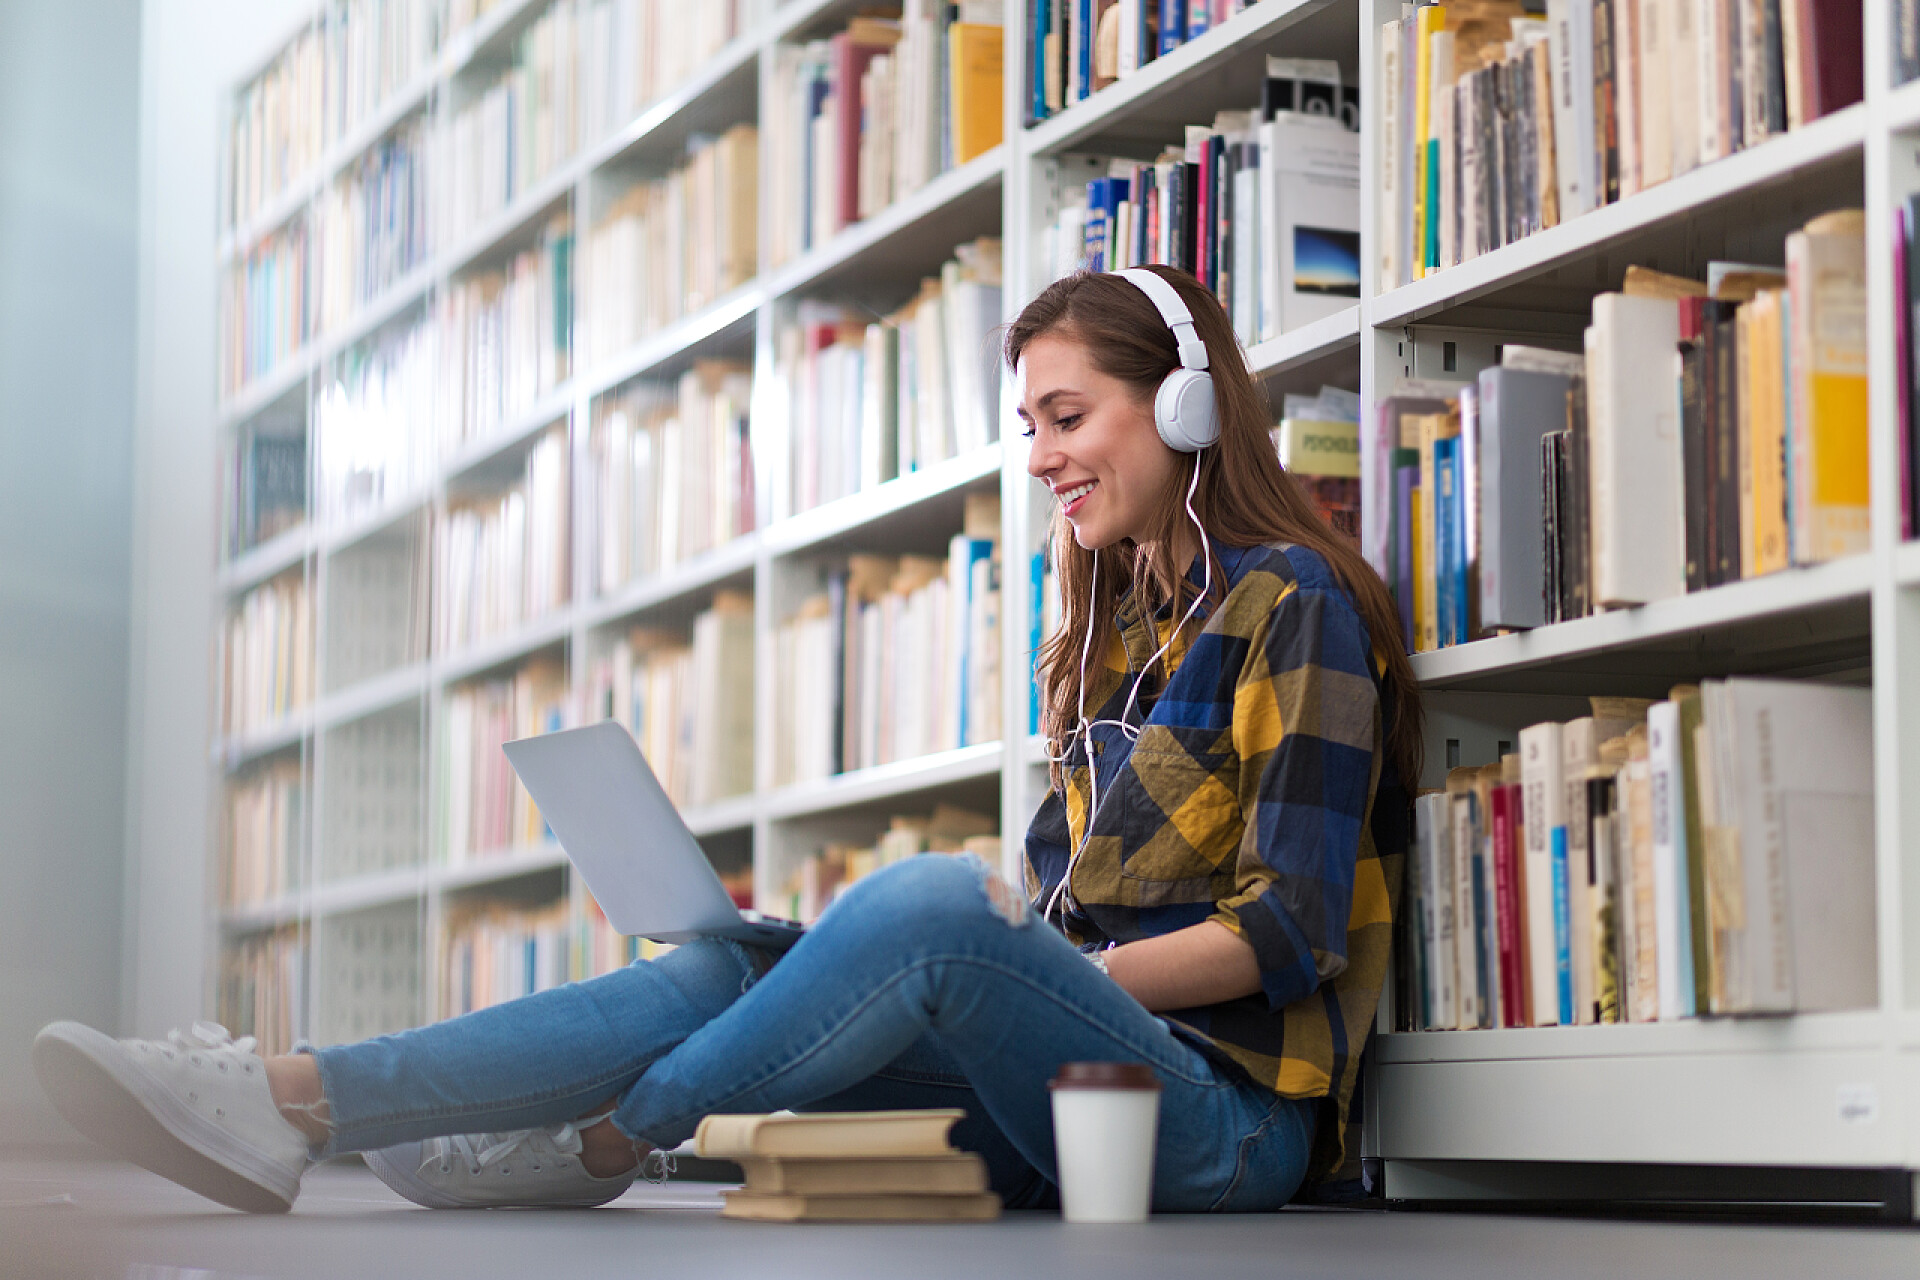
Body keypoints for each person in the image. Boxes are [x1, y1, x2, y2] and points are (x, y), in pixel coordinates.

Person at [33, 265, 1420, 1217]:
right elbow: (1051, 917)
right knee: (718, 957)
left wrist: (1044, 972)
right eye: (1031, 428)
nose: (1046, 456)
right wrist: (891, 968)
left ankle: (602, 1136)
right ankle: (287, 1100)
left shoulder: (1295, 606)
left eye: (1069, 418)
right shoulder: (1113, 642)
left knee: (938, 908)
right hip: (1063, 1102)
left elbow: (1287, 933)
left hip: (1226, 1123)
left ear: (1183, 407)